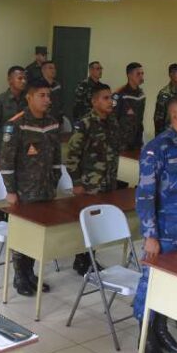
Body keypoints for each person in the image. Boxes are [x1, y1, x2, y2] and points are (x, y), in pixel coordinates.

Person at [133, 94, 177, 353]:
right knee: (152, 284)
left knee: (175, 286)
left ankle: (161, 329)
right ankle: (145, 335)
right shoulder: (157, 148)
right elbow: (145, 195)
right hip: (165, 233)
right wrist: (150, 235)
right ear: (176, 115)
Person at [0, 78, 61, 296]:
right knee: (22, 235)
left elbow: (56, 156)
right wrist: (10, 191)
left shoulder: (52, 122)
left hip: (46, 190)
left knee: (37, 236)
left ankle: (30, 273)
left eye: (48, 95)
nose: (47, 100)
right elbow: (6, 163)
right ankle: (19, 276)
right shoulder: (16, 124)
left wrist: (55, 180)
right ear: (30, 97)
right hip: (24, 191)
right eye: (42, 95)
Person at [65, 83, 122, 275]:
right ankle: (81, 260)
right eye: (105, 98)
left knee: (98, 223)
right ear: (94, 101)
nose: (110, 102)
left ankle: (90, 258)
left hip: (107, 182)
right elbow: (72, 155)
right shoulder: (85, 123)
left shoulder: (113, 122)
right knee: (86, 223)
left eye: (111, 98)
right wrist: (76, 182)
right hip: (89, 184)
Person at [0, 65, 27, 168]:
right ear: (10, 80)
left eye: (25, 78)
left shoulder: (28, 100)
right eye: (20, 78)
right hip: (4, 148)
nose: (23, 81)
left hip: (23, 149)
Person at [112, 62, 146, 151]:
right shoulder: (120, 94)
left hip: (136, 141)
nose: (141, 76)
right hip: (121, 142)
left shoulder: (141, 94)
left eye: (142, 73)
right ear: (129, 75)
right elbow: (112, 118)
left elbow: (140, 119)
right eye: (138, 74)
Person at [153, 63, 177, 135]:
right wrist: (160, 138)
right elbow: (158, 119)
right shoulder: (164, 94)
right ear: (171, 75)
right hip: (166, 134)